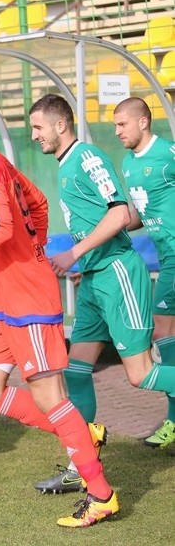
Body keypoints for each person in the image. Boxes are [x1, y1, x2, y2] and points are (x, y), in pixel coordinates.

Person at [0, 88, 116, 527]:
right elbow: (38, 204)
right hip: (7, 300)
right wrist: (33, 250)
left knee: (51, 398)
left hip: (27, 299)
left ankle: (101, 495)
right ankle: (82, 436)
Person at [29, 93, 175, 493]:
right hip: (94, 277)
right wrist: (85, 262)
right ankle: (82, 466)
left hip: (118, 274)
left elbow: (118, 211)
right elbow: (112, 219)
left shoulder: (88, 157)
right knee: (76, 370)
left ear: (61, 126)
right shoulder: (65, 166)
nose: (34, 136)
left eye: (38, 127)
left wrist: (75, 252)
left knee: (140, 374)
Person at [116, 96, 175, 448]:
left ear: (143, 122)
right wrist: (111, 229)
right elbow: (139, 213)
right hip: (167, 256)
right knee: (167, 339)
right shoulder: (127, 164)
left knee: (162, 335)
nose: (118, 131)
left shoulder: (167, 153)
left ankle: (172, 422)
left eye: (122, 124)